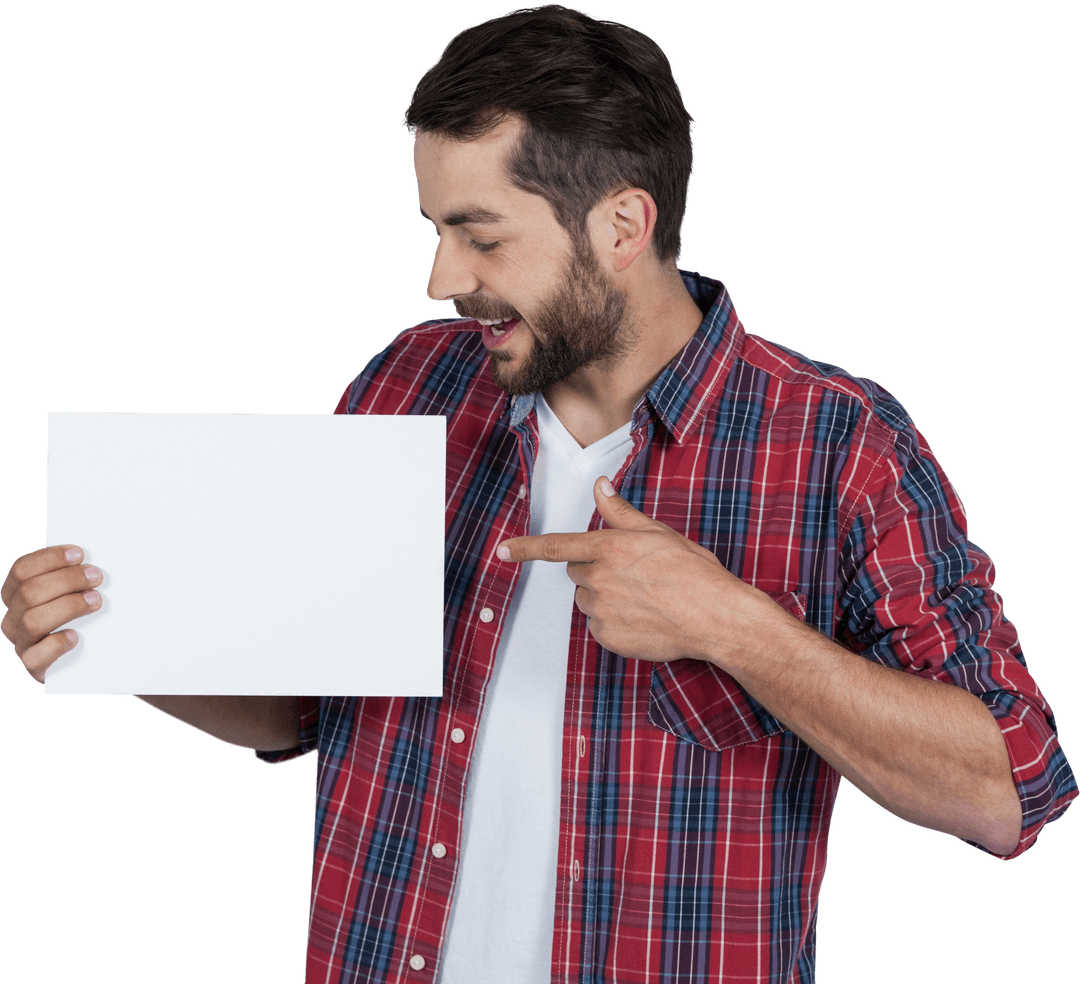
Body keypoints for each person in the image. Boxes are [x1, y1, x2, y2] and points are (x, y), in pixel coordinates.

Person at [3, 5, 1076, 983]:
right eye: (434, 227)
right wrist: (127, 634)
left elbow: (1008, 790)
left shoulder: (843, 444)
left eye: (480, 234)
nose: (439, 277)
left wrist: (734, 625)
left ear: (621, 226)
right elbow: (305, 710)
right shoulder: (405, 388)